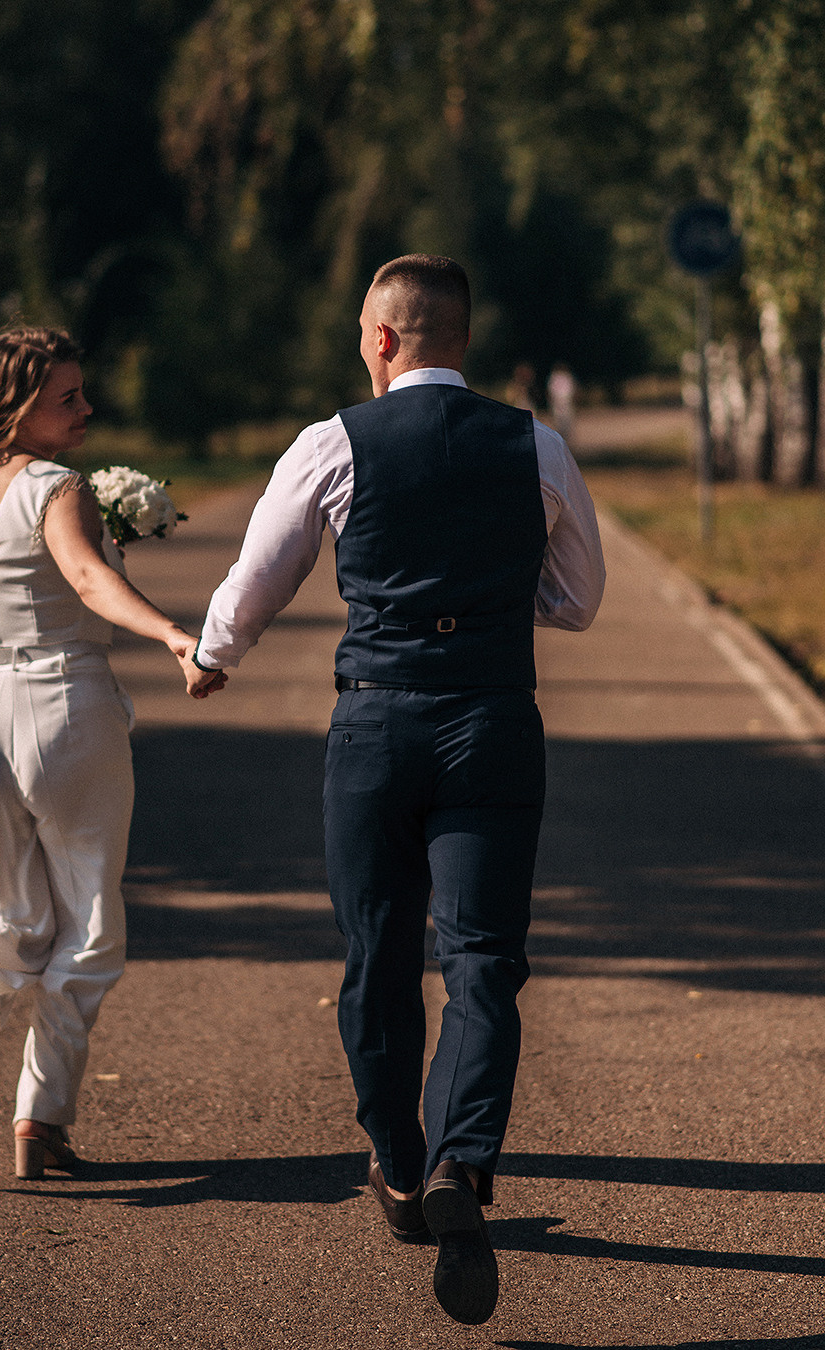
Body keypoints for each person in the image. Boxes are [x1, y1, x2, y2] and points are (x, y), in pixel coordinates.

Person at [185, 256, 604, 1324]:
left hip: (377, 718)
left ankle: (399, 1161)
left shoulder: (333, 444)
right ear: (460, 337)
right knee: (484, 962)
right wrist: (499, 605)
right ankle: (463, 1160)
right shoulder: (537, 445)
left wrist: (211, 653)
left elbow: (258, 577)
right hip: (495, 723)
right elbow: (579, 597)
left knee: (378, 949)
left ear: (381, 338)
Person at [0, 327, 224, 1181]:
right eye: (68, 399)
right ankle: (38, 1121)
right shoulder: (56, 486)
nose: (88, 409)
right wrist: (171, 634)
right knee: (85, 919)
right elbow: (87, 580)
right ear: (15, 409)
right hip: (62, 707)